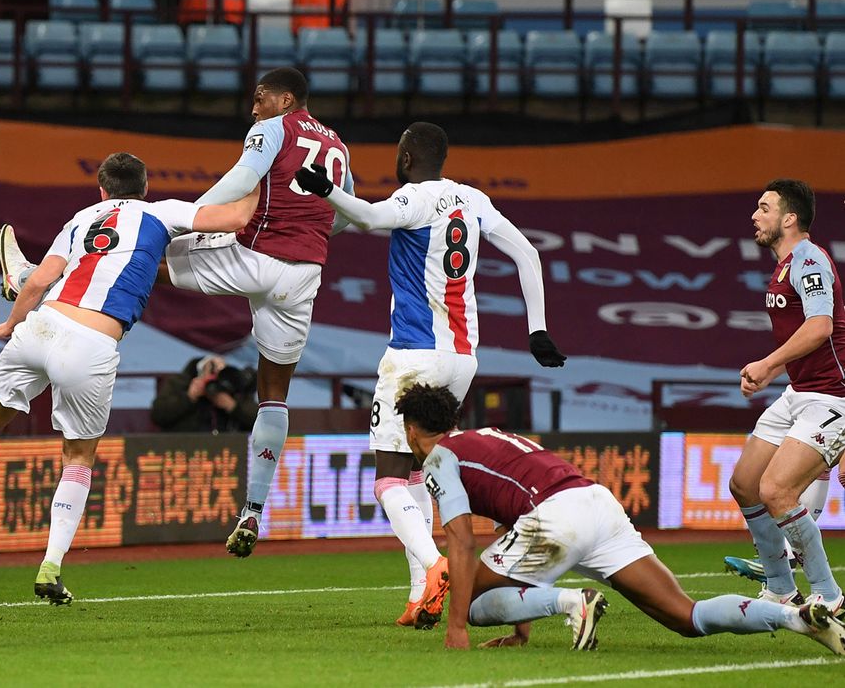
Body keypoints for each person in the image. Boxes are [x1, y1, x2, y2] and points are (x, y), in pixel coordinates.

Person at [0, 67, 352, 559]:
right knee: (274, 394)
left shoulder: (274, 128)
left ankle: (32, 277)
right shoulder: (337, 144)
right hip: (303, 276)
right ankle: (252, 510)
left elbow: (241, 180)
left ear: (285, 98)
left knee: (144, 252)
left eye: (259, 98)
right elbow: (346, 211)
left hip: (254, 256)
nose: (253, 108)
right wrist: (307, 242)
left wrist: (182, 218)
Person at [0, 153, 259, 604]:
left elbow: (36, 285)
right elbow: (236, 217)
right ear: (144, 187)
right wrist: (262, 177)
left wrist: (11, 324)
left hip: (43, 324)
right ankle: (50, 566)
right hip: (92, 342)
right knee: (77, 457)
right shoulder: (159, 212)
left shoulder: (80, 219)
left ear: (102, 191)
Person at [293, 121, 566, 628]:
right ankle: (422, 593)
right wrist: (537, 330)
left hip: (415, 354)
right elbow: (528, 253)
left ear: (405, 159)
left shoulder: (414, 198)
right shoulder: (473, 199)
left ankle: (437, 565)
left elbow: (372, 218)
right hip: (463, 358)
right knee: (418, 473)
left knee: (388, 480)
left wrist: (327, 190)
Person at [396, 383, 845, 654]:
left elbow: (460, 540)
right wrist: (520, 632)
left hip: (556, 516)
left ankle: (572, 603)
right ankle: (798, 618)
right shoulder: (486, 437)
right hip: (598, 505)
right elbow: (511, 538)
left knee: (469, 596)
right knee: (685, 617)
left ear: (412, 430)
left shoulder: (438, 458)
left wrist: (456, 629)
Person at [728, 179, 845, 613]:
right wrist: (772, 370)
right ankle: (780, 587)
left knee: (777, 490)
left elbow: (820, 327)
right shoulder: (785, 264)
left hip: (832, 397)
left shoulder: (809, 260)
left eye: (764, 207)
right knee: (744, 484)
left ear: (789, 218)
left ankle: (829, 596)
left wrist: (765, 363)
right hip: (800, 392)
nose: (755, 215)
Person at [150, 354, 257, 432]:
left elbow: (258, 420)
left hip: (227, 453)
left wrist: (232, 406)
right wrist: (189, 397)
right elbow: (158, 415)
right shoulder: (180, 383)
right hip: (185, 449)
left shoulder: (233, 387)